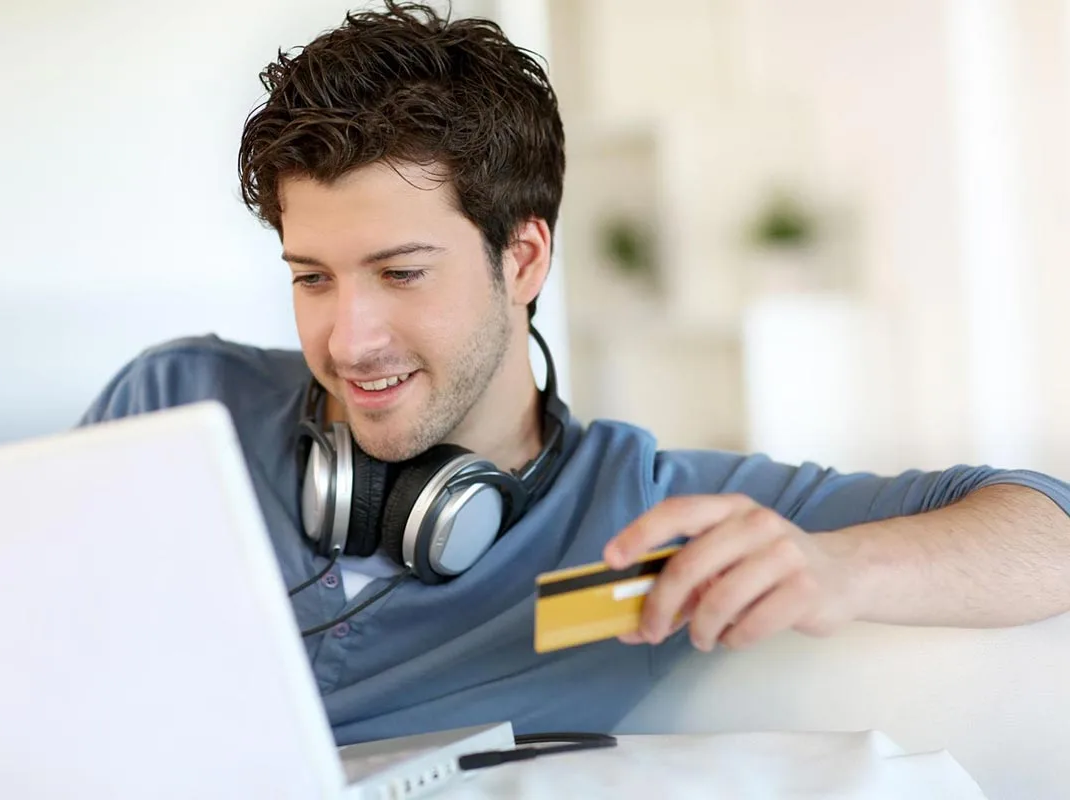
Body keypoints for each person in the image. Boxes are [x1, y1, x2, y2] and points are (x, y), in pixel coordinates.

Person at [79, 1, 1070, 746]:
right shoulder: (176, 401)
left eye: (400, 272)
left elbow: (1048, 525)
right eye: (312, 278)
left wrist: (839, 566)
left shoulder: (638, 509)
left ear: (523, 258)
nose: (349, 338)